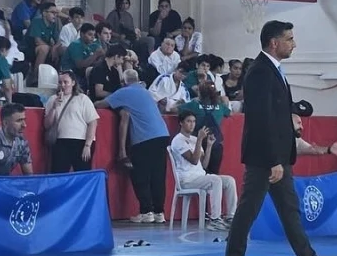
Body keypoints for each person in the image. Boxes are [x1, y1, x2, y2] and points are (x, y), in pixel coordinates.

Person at [222, 20, 337, 256]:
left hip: (277, 156)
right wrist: (273, 160)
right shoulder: (260, 72)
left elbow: (277, 114)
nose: (294, 44)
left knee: (289, 210)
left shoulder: (273, 70)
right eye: (289, 39)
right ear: (274, 43)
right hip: (265, 157)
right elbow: (262, 118)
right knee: (249, 208)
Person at [104, 69, 171, 223]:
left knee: (141, 175)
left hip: (144, 138)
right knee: (158, 176)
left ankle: (146, 211)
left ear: (123, 82)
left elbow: (101, 104)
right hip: (162, 134)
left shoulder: (125, 92)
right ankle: (159, 212)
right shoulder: (146, 92)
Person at [170, 111, 238, 231]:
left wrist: (209, 145)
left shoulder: (194, 139)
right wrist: (200, 140)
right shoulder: (178, 140)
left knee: (229, 180)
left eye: (194, 121)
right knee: (215, 180)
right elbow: (194, 160)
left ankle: (230, 217)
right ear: (181, 123)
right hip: (187, 180)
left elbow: (204, 164)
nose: (192, 124)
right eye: (188, 121)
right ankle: (215, 220)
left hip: (200, 176)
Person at [43, 71, 99, 173]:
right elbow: (47, 125)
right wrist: (54, 108)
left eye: (66, 82)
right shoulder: (52, 99)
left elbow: (92, 122)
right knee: (59, 173)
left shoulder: (83, 98)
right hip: (60, 141)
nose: (62, 85)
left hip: (81, 141)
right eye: (60, 82)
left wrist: (88, 145)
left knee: (82, 173)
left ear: (73, 83)